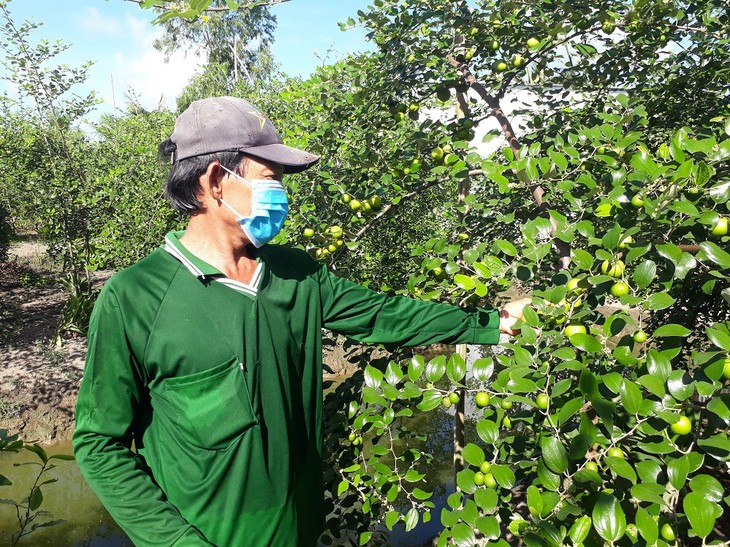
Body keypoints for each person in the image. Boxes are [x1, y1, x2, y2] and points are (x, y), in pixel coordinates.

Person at [73, 96, 527, 547]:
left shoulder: (296, 274)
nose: (281, 196)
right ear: (214, 181)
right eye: (270, 180)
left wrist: (492, 323)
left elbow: (382, 314)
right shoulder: (135, 298)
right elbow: (100, 445)